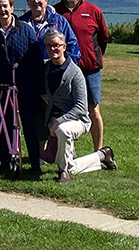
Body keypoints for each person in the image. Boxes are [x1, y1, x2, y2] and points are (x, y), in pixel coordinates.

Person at [42, 30, 117, 183]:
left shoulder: (75, 73)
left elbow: (81, 107)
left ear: (64, 47)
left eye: (56, 45)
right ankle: (102, 155)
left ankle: (63, 172)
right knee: (71, 164)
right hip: (53, 120)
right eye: (49, 46)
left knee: (62, 130)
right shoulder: (45, 68)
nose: (53, 49)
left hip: (79, 121)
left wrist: (59, 121)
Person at [0, 0, 44, 173]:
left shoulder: (25, 29)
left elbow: (37, 60)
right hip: (2, 86)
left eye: (5, 6)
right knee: (5, 124)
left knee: (28, 125)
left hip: (25, 86)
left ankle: (34, 163)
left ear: (12, 7)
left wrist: (39, 88)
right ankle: (6, 161)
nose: (2, 10)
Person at [54, 0, 110, 152]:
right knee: (68, 112)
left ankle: (98, 152)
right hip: (65, 72)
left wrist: (92, 57)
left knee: (93, 110)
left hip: (90, 70)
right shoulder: (55, 12)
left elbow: (103, 39)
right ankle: (70, 152)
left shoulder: (94, 11)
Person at [20, 0, 80, 64]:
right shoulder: (21, 23)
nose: (36, 1)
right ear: (28, 2)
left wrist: (67, 66)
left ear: (46, 0)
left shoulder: (59, 21)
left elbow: (72, 45)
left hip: (53, 69)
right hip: (30, 70)